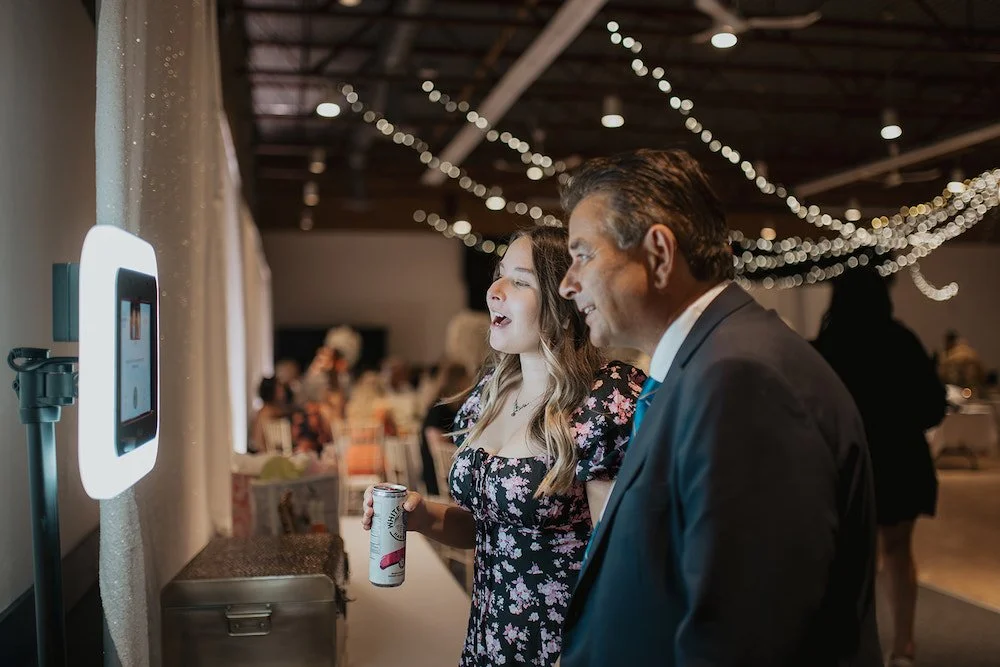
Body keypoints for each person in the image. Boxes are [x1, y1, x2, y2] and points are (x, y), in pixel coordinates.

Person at [556, 148, 882, 667]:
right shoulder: (708, 362)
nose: (568, 283)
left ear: (659, 253)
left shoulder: (740, 379)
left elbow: (743, 636)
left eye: (583, 255)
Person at [363, 226, 645, 667]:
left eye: (519, 281)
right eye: (498, 276)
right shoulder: (490, 393)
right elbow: (487, 530)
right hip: (488, 645)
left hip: (564, 650)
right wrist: (421, 516)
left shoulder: (605, 399)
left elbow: (621, 560)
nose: (494, 291)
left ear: (565, 301)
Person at [814, 266, 946, 667]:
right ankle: (903, 647)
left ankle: (858, 644)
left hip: (847, 462)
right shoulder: (901, 340)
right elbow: (933, 407)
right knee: (899, 552)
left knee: (855, 559)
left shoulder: (828, 345)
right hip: (900, 459)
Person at [418, 361, 471, 495]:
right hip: (439, 480)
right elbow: (439, 452)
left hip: (446, 475)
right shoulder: (439, 410)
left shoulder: (452, 409)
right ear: (459, 382)